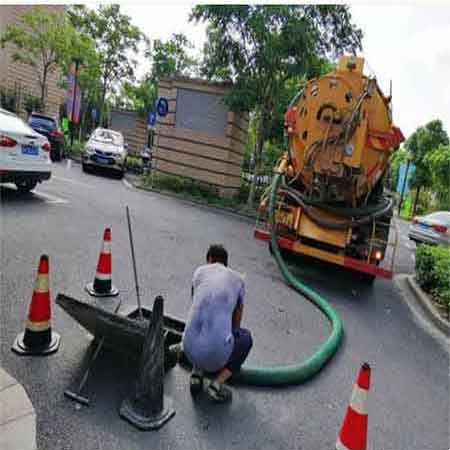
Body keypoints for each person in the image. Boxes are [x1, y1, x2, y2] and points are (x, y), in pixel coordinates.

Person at [182, 244, 253, 403]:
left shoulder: (199, 272)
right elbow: (236, 327)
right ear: (225, 263)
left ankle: (196, 374)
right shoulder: (238, 280)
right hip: (216, 358)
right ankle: (216, 385)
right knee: (245, 338)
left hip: (187, 347)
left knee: (200, 322)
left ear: (209, 259)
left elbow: (194, 302)